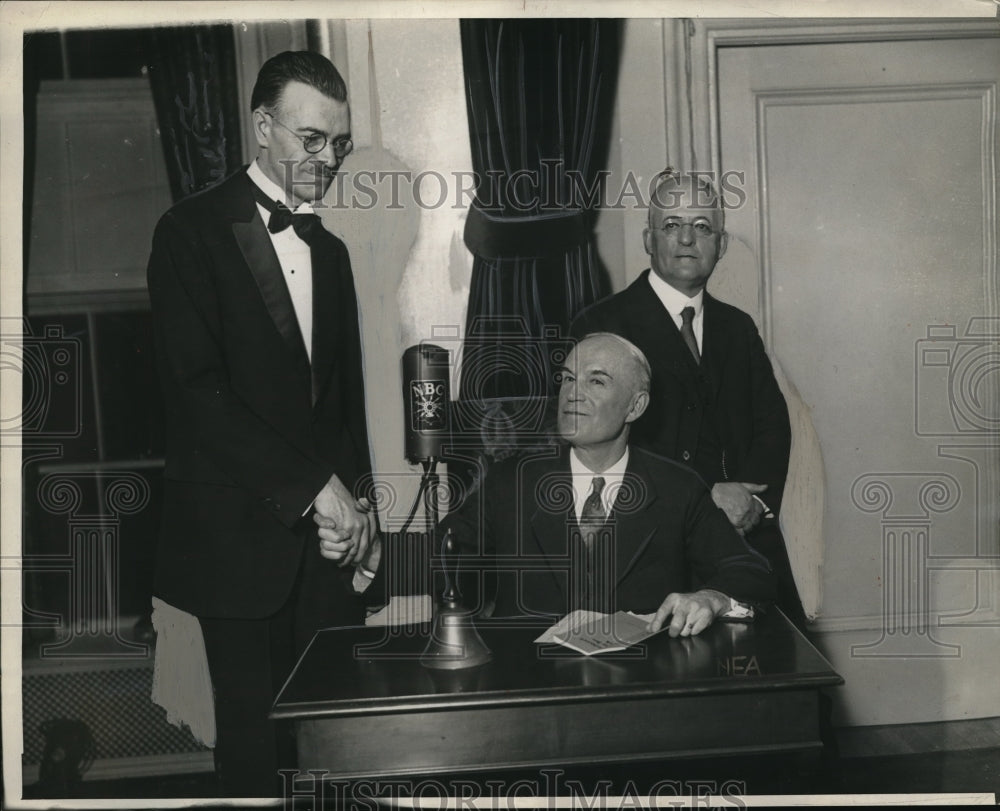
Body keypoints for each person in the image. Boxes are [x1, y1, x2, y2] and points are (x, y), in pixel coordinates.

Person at [146, 51, 381, 797]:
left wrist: (363, 516)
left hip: (326, 551)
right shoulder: (188, 231)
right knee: (255, 756)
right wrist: (319, 490)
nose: (328, 158)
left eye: (338, 144)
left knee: (335, 748)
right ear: (262, 128)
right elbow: (197, 395)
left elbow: (343, 408)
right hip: (235, 547)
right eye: (312, 139)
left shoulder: (332, 252)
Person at [571, 170, 805, 628]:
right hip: (649, 545)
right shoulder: (601, 325)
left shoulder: (738, 328)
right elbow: (593, 443)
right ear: (648, 238)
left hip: (743, 546)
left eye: (702, 227)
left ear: (720, 244)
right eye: (672, 224)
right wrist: (702, 498)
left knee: (791, 674)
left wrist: (751, 502)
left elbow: (772, 427)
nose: (686, 239)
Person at [443, 333, 774, 635]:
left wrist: (711, 597)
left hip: (639, 684)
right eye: (568, 379)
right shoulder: (511, 481)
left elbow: (749, 569)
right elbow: (437, 553)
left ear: (636, 406)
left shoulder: (678, 488)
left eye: (596, 381)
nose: (572, 394)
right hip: (533, 682)